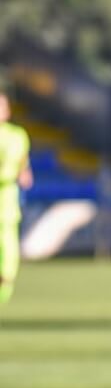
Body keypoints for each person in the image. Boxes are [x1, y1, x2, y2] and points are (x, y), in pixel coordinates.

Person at [0, 91, 32, 304]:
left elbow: (23, 168)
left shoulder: (17, 135)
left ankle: (4, 286)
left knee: (7, 250)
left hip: (5, 200)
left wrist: (24, 174)